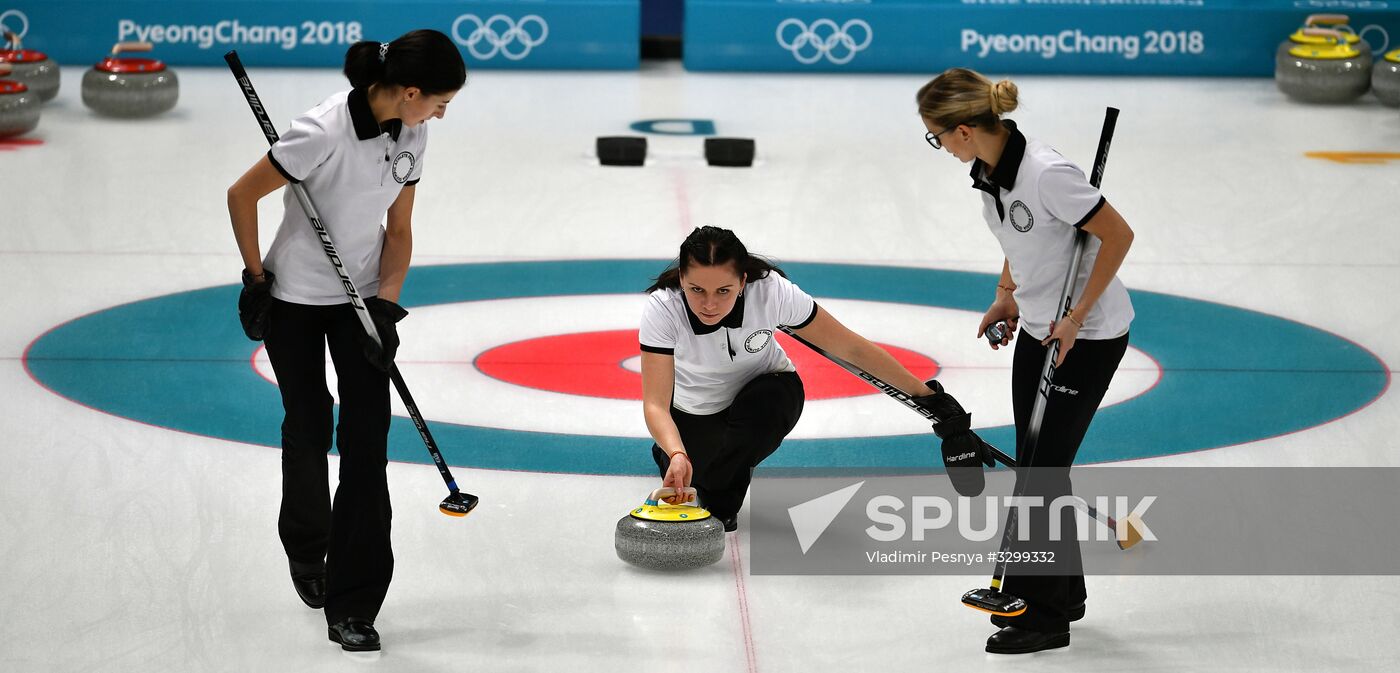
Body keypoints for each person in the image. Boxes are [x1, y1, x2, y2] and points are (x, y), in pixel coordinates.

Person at [226, 29, 465, 653]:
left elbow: (400, 228)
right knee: (308, 423)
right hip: (294, 303)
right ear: (410, 91)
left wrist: (385, 304)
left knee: (367, 443)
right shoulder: (323, 129)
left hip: (360, 302)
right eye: (438, 101)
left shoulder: (414, 134)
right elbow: (242, 193)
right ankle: (308, 549)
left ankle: (354, 601)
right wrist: (255, 277)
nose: (441, 112)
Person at [916, 68, 1135, 654]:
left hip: (1084, 338)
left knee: (1039, 476)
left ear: (963, 129)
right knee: (1042, 465)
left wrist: (1078, 316)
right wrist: (1007, 293)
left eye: (937, 137)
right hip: (1038, 328)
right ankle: (1063, 593)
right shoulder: (989, 169)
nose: (939, 148)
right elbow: (1023, 241)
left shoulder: (1046, 173)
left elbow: (1117, 235)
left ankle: (1043, 618)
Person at [639, 225, 992, 531]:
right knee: (689, 464)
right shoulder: (663, 308)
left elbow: (850, 348)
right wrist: (676, 452)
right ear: (682, 279)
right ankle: (681, 455)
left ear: (743, 281)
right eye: (697, 290)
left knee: (734, 462)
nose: (710, 305)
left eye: (723, 291)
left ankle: (718, 493)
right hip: (696, 411)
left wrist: (933, 402)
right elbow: (656, 403)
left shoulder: (772, 292)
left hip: (765, 391)